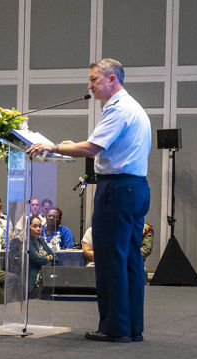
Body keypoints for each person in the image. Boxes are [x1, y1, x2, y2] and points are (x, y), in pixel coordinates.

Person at [27, 58, 152, 343]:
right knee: (130, 258)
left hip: (117, 189)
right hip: (134, 187)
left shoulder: (118, 110)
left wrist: (55, 146)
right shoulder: (132, 107)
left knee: (110, 259)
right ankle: (131, 326)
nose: (90, 85)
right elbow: (97, 148)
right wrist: (69, 147)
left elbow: (93, 148)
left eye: (95, 79)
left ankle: (114, 328)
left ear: (113, 80)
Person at [26, 215, 55, 294]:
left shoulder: (41, 240)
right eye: (35, 226)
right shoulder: (27, 242)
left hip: (47, 275)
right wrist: (48, 258)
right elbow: (37, 259)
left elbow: (55, 257)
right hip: (35, 278)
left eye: (40, 226)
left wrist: (47, 258)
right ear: (28, 228)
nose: (38, 229)